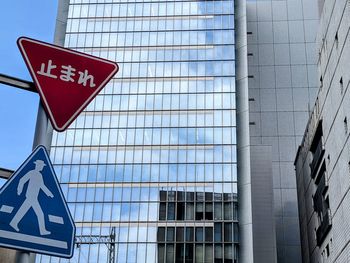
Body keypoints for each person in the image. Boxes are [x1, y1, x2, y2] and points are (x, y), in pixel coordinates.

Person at [9, 159, 53, 235]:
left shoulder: (40, 175)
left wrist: (49, 193)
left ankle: (14, 222)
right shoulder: (31, 173)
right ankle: (42, 230)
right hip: (30, 196)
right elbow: (22, 180)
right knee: (40, 214)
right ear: (38, 166)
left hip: (34, 197)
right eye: (41, 166)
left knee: (23, 210)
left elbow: (42, 186)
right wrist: (19, 190)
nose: (42, 167)